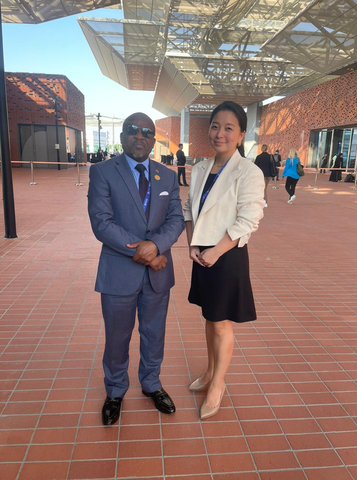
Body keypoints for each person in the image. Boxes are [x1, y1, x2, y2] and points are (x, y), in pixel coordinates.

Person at [88, 112, 184, 426]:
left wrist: (155, 246)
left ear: (153, 139)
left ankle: (151, 383)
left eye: (146, 132)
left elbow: (175, 220)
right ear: (122, 135)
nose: (139, 136)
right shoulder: (102, 172)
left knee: (154, 333)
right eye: (132, 130)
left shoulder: (167, 176)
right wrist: (145, 252)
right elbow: (102, 223)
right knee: (117, 336)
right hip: (118, 273)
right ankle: (115, 390)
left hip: (158, 274)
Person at [183, 101, 265, 420]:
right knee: (209, 316)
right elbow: (190, 210)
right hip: (201, 251)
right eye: (216, 126)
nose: (220, 133)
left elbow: (249, 219)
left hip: (227, 254)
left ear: (241, 135)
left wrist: (216, 250)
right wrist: (192, 243)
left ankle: (218, 383)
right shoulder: (201, 168)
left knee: (221, 322)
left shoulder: (248, 172)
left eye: (229, 128)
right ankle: (209, 371)